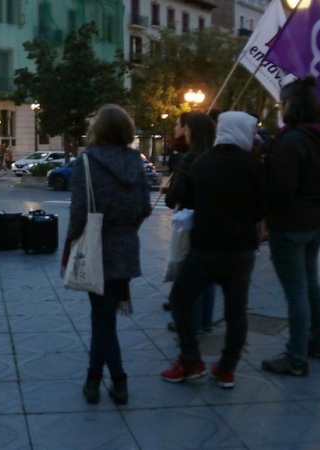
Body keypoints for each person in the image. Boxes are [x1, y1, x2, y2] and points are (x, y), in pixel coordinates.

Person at [161, 112, 265, 389]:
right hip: (241, 250)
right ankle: (227, 368)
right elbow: (262, 210)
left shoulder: (203, 162)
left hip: (206, 247)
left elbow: (184, 200)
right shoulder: (255, 167)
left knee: (181, 300)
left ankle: (192, 360)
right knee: (236, 312)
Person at [63, 104, 151, 405]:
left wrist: (71, 242)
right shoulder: (135, 161)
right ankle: (91, 380)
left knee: (103, 320)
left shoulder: (87, 161)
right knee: (102, 317)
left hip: (97, 248)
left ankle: (119, 380)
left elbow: (78, 212)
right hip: (126, 247)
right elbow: (143, 208)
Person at [261, 76, 320, 377]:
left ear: (292, 105)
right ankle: (316, 342)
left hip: (290, 225)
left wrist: (267, 214)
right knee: (310, 283)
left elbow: (281, 190)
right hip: (316, 222)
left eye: (281, 103)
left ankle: (296, 357)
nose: (280, 108)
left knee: (296, 290)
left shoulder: (293, 141)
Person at [164, 112, 217, 335]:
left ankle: (189, 325)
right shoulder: (214, 155)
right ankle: (206, 320)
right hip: (211, 224)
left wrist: (170, 190)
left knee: (189, 277)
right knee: (207, 277)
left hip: (190, 224)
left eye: (179, 126)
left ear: (189, 130)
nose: (178, 129)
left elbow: (173, 197)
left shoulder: (189, 158)